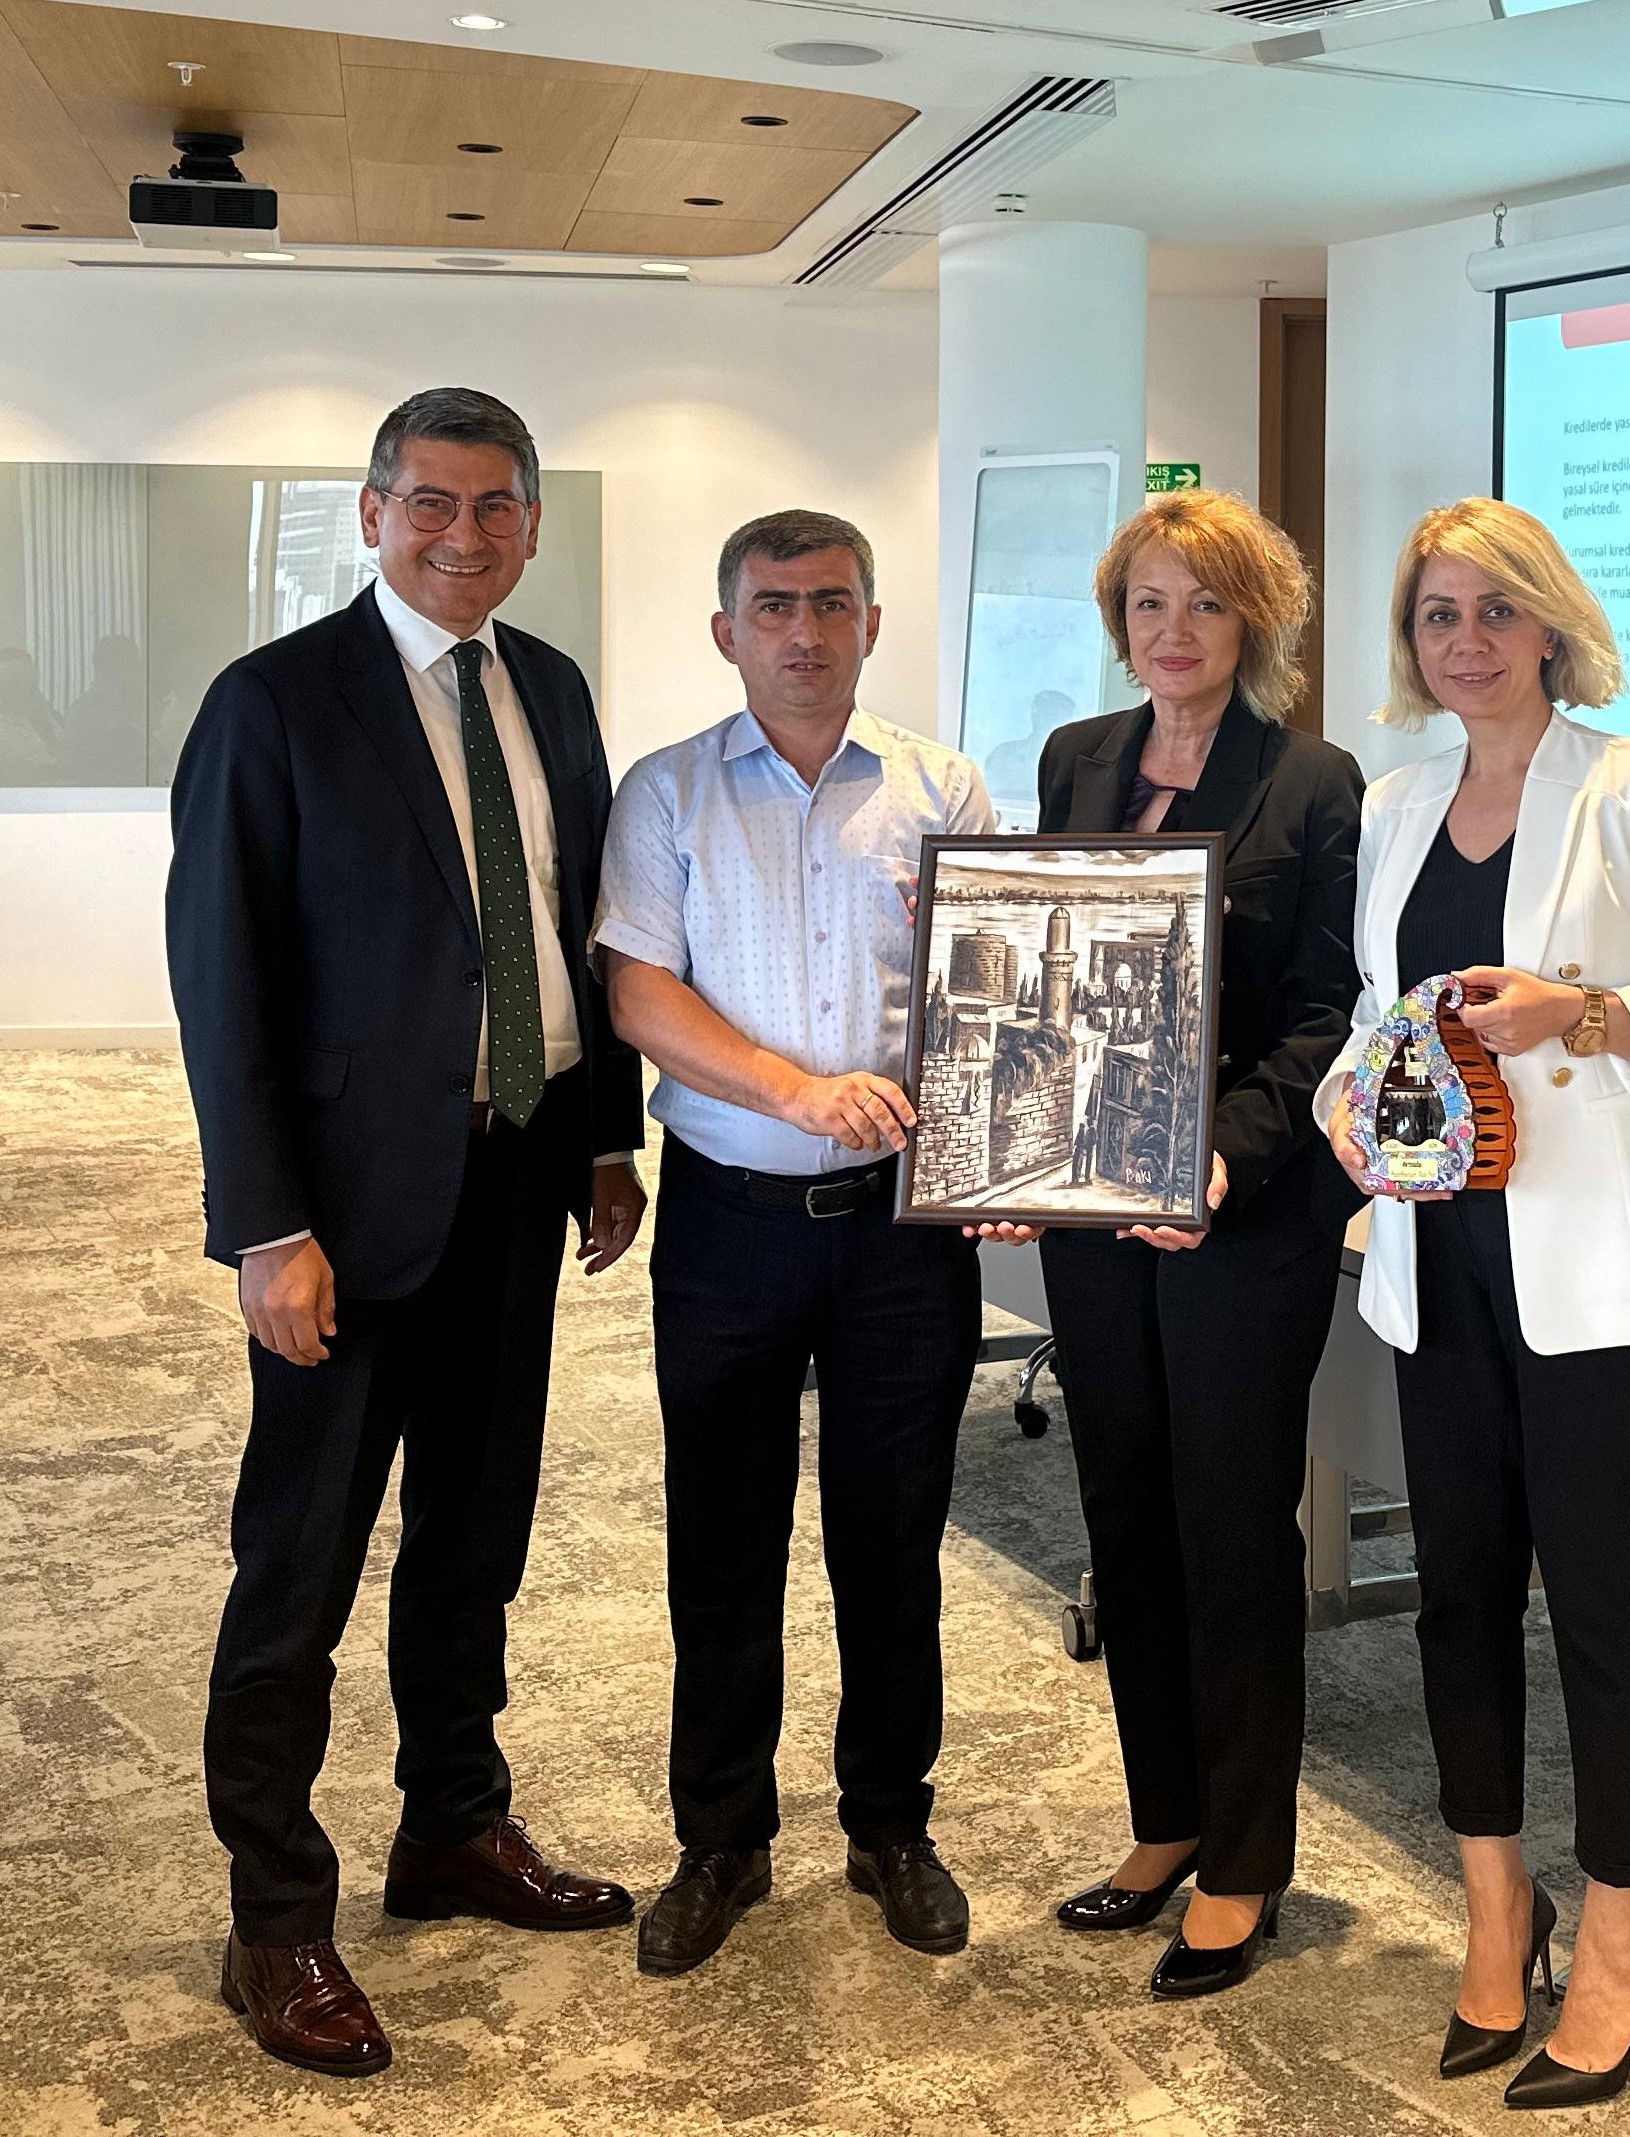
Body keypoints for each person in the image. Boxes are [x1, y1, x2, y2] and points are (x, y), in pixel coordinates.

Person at [167, 388, 646, 2079]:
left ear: (532, 524)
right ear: (371, 515)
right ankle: (275, 1912)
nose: (462, 533)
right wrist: (266, 1225)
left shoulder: (552, 687)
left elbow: (576, 931)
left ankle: (450, 1822)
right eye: (428, 503)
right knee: (298, 1562)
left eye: (494, 505)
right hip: (347, 1215)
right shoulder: (273, 701)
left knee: (474, 1535)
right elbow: (223, 979)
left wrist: (604, 1137)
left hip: (516, 1179)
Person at [1317, 498, 1630, 2108]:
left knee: (1596, 1606)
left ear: (1551, 626)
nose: (1466, 640)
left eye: (1495, 609)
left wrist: (1579, 1009)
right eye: (1437, 614)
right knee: (1454, 1596)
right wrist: (1345, 1105)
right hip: (1435, 1254)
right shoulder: (1392, 801)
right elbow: (1374, 1011)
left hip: (1591, 1268)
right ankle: (1497, 1907)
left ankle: (1621, 1933)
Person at [593, 508, 993, 1978]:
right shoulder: (667, 793)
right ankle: (721, 1838)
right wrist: (793, 1091)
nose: (805, 632)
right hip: (730, 1224)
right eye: (774, 606)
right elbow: (640, 993)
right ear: (727, 631)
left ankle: (891, 1826)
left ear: (872, 623)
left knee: (892, 1544)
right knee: (723, 1541)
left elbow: (1006, 985)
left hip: (901, 1237)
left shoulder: (944, 788)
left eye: (832, 603)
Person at [979, 489, 1365, 1998]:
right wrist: (1009, 1139)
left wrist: (1224, 1153)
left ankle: (1247, 1860)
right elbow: (1036, 971)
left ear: (1252, 620)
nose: (1173, 629)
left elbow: (1327, 1014)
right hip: (1094, 1205)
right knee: (1123, 1505)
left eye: (1203, 602)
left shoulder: (1312, 782)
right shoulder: (1077, 757)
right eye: (1147, 602)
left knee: (1230, 1523)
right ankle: (1165, 1820)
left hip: (1239, 1212)